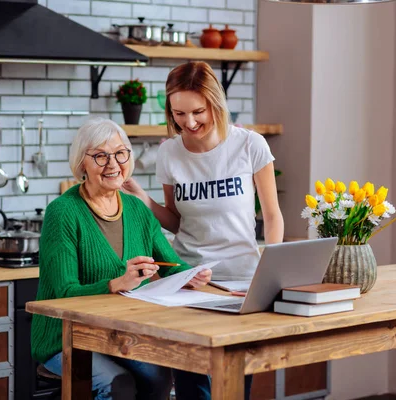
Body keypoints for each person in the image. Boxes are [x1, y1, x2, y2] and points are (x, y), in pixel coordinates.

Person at [123, 61, 285, 399]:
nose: (189, 122)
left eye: (198, 111)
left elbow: (271, 216)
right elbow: (176, 221)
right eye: (179, 113)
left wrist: (272, 272)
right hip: (189, 282)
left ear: (216, 103)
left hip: (241, 282)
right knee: (194, 387)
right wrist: (142, 199)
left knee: (236, 383)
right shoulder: (169, 152)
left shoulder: (249, 145)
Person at [30, 118, 212, 400]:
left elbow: (171, 265)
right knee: (119, 383)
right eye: (101, 156)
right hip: (66, 336)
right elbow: (63, 293)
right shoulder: (63, 213)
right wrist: (117, 283)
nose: (113, 163)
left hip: (119, 331)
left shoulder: (137, 209)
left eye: (120, 153)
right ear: (82, 164)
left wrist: (192, 275)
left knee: (159, 375)